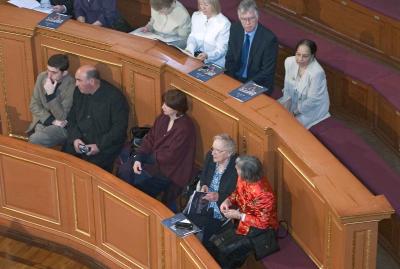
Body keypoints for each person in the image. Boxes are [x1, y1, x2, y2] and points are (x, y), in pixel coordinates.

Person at [117, 89, 196, 211]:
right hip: (151, 160)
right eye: (163, 103)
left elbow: (171, 156)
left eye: (166, 105)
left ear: (177, 108)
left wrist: (145, 159)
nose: (162, 106)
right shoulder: (162, 118)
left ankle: (138, 209)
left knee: (139, 185)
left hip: (170, 171)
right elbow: (149, 139)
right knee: (124, 171)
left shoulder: (186, 127)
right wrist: (139, 157)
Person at [210, 155, 278, 268]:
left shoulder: (265, 194)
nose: (235, 169)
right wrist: (227, 201)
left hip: (259, 231)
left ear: (247, 174)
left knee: (225, 253)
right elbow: (237, 192)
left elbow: (263, 223)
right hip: (241, 220)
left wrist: (239, 215)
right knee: (214, 243)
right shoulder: (242, 178)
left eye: (237, 169)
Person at [62, 65, 129, 172]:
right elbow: (72, 118)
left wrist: (99, 146)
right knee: (64, 162)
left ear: (92, 82)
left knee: (91, 172)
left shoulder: (115, 98)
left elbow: (119, 129)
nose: (76, 84)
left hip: (104, 145)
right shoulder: (78, 92)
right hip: (80, 140)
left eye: (79, 80)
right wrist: (75, 139)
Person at [187, 134, 238, 243]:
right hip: (203, 201)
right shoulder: (210, 157)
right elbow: (204, 176)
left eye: (217, 150)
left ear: (228, 153)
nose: (213, 153)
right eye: (213, 148)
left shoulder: (237, 168)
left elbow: (238, 194)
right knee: (185, 227)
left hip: (220, 208)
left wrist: (219, 196)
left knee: (202, 237)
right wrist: (204, 185)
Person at [225, 0, 278, 94]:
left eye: (251, 18)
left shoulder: (269, 39)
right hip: (236, 77)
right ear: (239, 18)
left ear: (257, 17)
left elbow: (266, 72)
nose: (247, 23)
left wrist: (245, 86)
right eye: (244, 19)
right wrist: (231, 80)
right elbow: (230, 57)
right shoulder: (235, 29)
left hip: (258, 83)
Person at [278, 39, 330, 129]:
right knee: (272, 114)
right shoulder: (289, 62)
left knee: (288, 127)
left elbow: (312, 101)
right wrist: (286, 103)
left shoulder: (317, 73)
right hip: (293, 101)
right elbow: (287, 87)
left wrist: (293, 113)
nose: (300, 59)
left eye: (305, 56)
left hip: (311, 109)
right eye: (298, 54)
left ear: (312, 56)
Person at [27, 54, 75, 148]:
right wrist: (51, 120)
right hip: (43, 120)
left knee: (35, 140)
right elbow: (33, 105)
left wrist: (51, 96)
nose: (49, 75)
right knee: (37, 140)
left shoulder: (71, 85)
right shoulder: (42, 77)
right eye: (48, 70)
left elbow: (62, 117)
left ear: (64, 73)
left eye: (54, 72)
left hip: (61, 127)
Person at [185, 0, 230, 67]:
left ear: (214, 4)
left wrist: (207, 55)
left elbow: (221, 49)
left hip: (214, 63)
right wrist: (190, 48)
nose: (202, 7)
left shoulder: (224, 23)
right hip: (195, 58)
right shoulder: (196, 15)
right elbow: (193, 36)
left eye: (206, 5)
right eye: (200, 4)